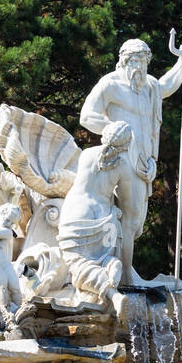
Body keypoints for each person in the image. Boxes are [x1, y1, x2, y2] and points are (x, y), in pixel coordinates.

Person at [79, 38, 182, 276]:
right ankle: (124, 274)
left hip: (144, 162)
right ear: (123, 61)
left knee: (135, 223)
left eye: (144, 62)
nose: (140, 67)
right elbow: (87, 116)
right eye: (135, 61)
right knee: (128, 219)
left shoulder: (149, 86)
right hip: (119, 157)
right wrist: (113, 129)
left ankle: (122, 269)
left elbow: (167, 85)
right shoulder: (110, 84)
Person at [55, 121, 137, 314]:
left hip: (77, 210)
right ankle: (110, 265)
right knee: (102, 255)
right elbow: (128, 203)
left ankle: (112, 293)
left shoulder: (86, 154)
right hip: (104, 218)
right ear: (126, 145)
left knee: (77, 263)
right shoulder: (123, 167)